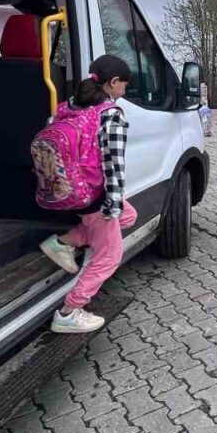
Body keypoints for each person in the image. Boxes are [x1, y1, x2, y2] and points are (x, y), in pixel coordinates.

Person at [38, 54, 137, 333]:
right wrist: (112, 204)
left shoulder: (70, 106)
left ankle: (63, 242)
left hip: (71, 187)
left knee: (130, 216)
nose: (124, 92)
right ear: (113, 82)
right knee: (109, 256)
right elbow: (114, 163)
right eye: (124, 86)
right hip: (95, 194)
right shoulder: (111, 113)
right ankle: (69, 312)